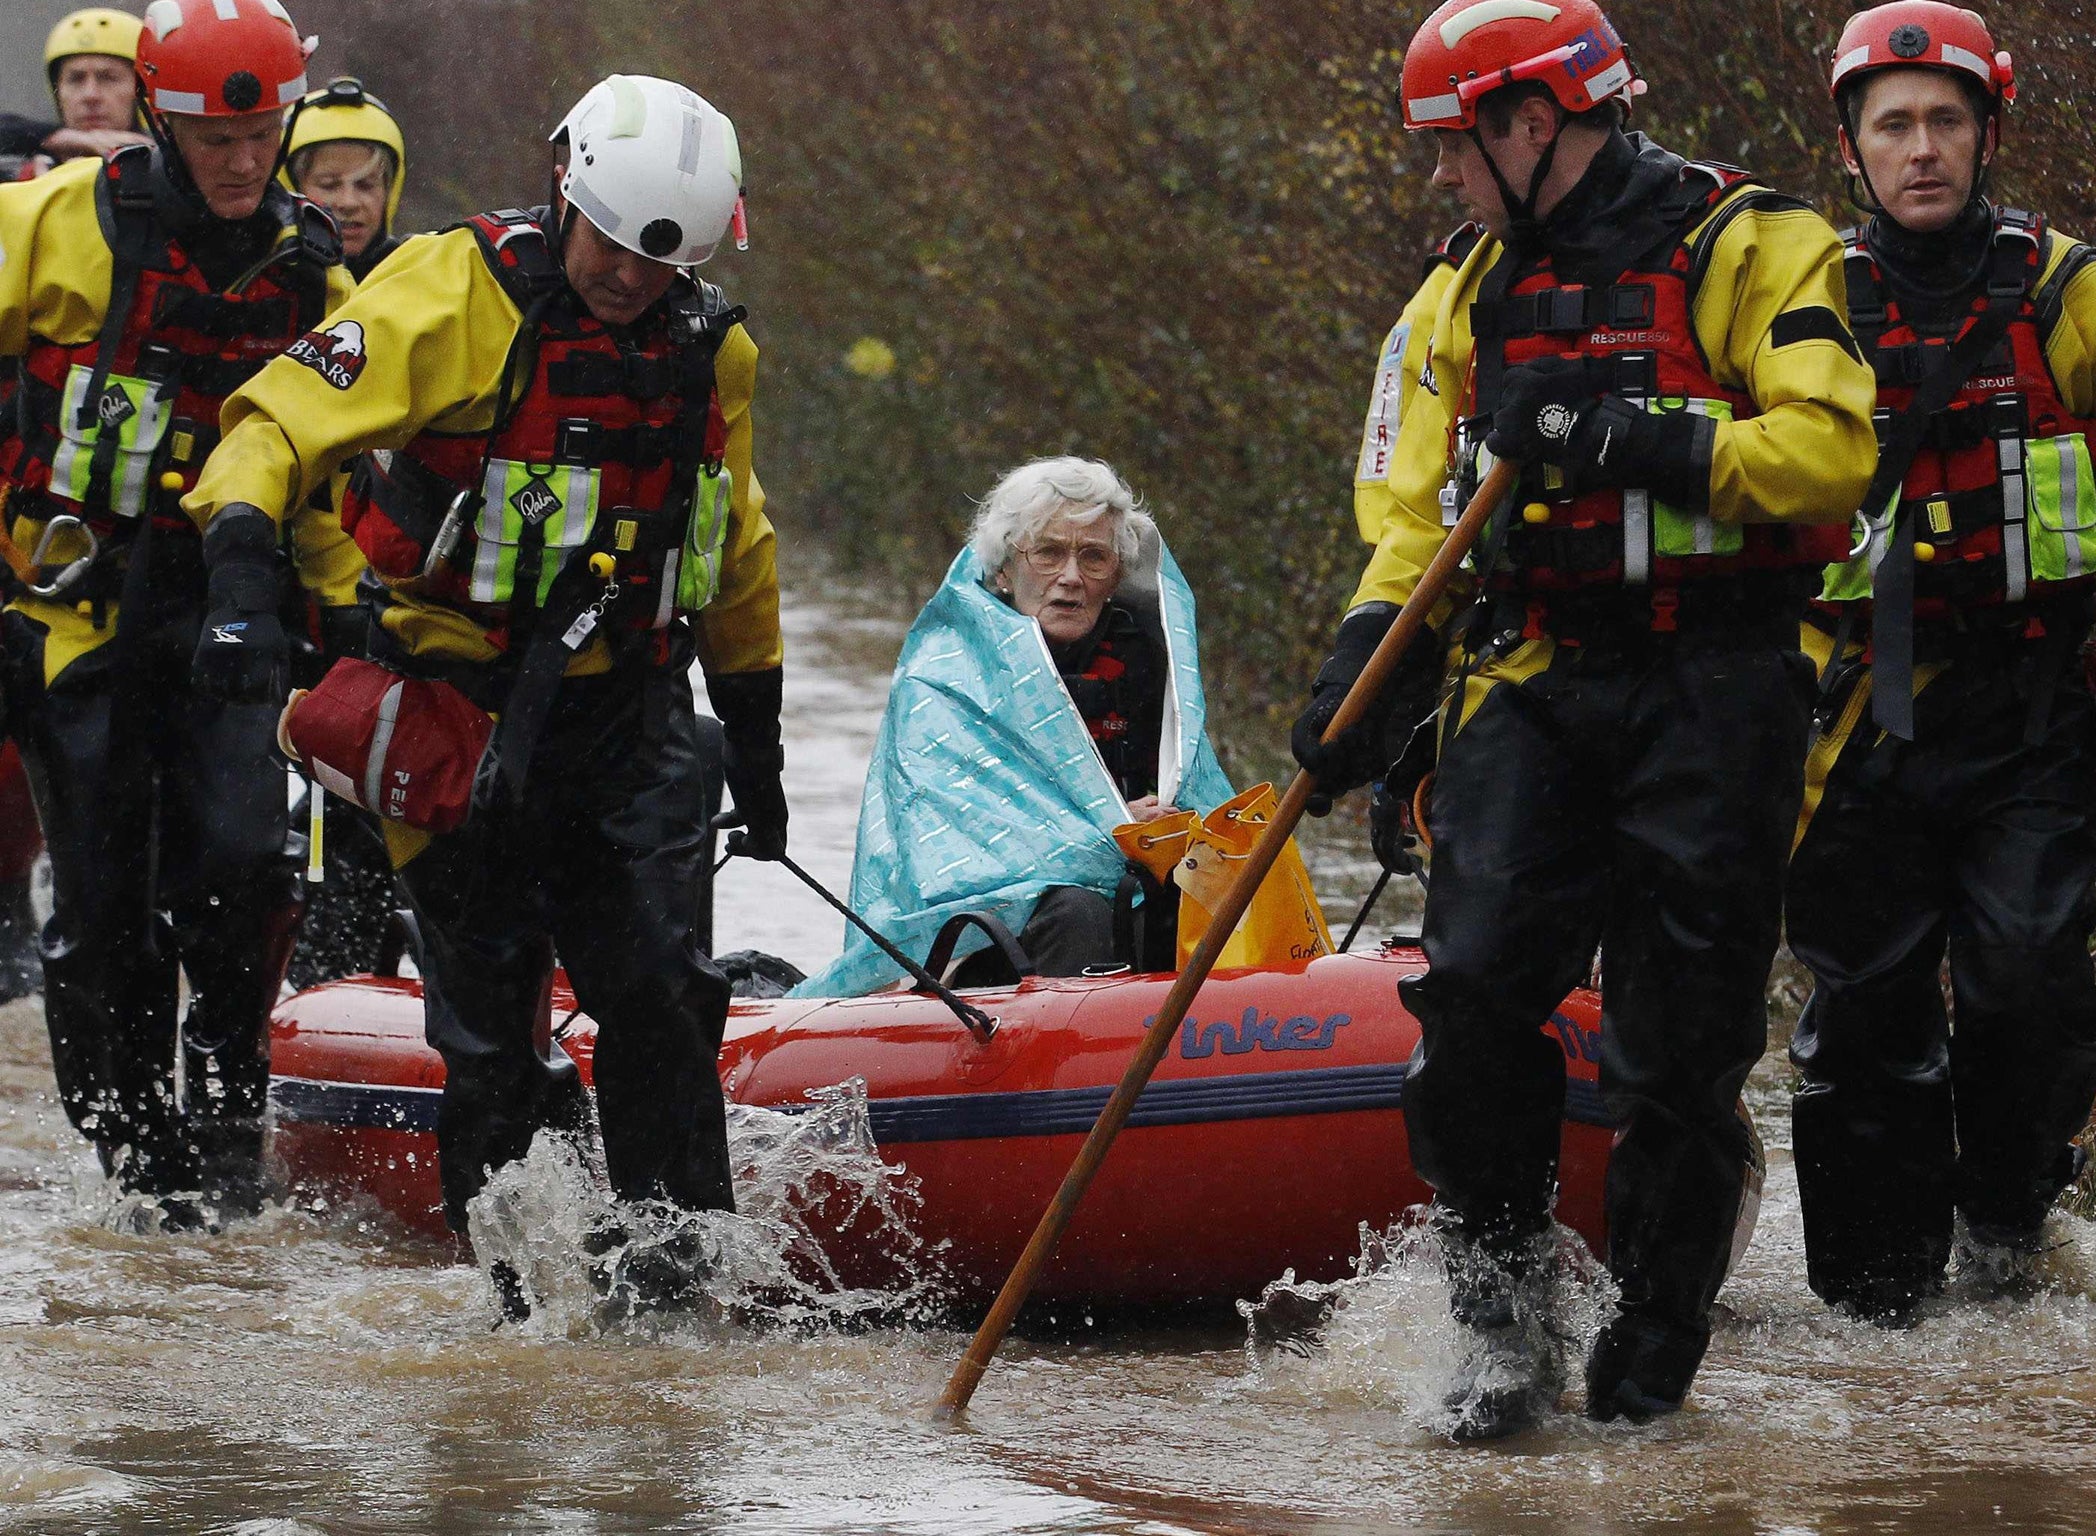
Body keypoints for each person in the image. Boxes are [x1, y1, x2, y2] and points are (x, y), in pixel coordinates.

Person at [1291, 0, 1876, 1437]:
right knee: (1475, 991)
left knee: (1680, 1048)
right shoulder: (1457, 296)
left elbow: (1830, 448)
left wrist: (1636, 436)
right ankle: (1500, 1328)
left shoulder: (1755, 244)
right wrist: (1368, 661)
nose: (1440, 180)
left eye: (1451, 147)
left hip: (1720, 685)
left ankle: (1654, 1362)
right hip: (1533, 678)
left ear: (1528, 122)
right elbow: (1410, 513)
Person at [190, 74, 783, 1317]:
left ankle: (677, 1300)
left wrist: (760, 731)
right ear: (566, 188)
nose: (627, 278)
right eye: (611, 245)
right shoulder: (450, 293)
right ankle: (522, 1308)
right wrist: (242, 562)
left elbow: (736, 546)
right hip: (458, 718)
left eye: (654, 261)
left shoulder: (709, 350)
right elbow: (276, 422)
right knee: (488, 1035)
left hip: (629, 718)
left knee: (663, 995)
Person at [0, 0, 349, 1224]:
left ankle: (228, 1116)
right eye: (216, 140)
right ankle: (137, 1174)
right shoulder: (46, 226)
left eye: (263, 135)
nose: (245, 163)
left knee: (243, 870)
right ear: (162, 120)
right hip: (71, 614)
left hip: (228, 619)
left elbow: (340, 472)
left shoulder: (314, 272)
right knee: (102, 913)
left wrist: (364, 621)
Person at [1785, 1, 2096, 1326]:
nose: (1923, 149)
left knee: (2029, 982)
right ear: (1852, 149)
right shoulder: (1806, 304)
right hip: (1856, 719)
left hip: (2039, 705)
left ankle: (2007, 1220)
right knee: (1863, 1020)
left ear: (1987, 135)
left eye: (1947, 122)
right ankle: (1874, 1314)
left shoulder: (2066, 290)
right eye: (1894, 125)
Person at [795, 457, 1235, 998]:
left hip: (1133, 892)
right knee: (1077, 911)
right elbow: (954, 852)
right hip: (986, 937)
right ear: (1004, 570)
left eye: (1093, 557)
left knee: (1197, 889)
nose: (1070, 577)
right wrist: (1115, 830)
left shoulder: (1150, 668)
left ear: (1115, 575)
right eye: (1048, 553)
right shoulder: (944, 678)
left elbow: (1181, 791)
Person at [0, 9, 151, 180]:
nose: (90, 95)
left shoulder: (171, 170)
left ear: (143, 89)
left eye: (108, 78)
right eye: (76, 79)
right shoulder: (28, 172)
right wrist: (55, 137)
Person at [283, 76, 405, 281]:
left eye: (366, 185)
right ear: (289, 187)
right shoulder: (260, 288)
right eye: (329, 185)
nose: (348, 202)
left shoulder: (420, 286)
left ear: (389, 192)